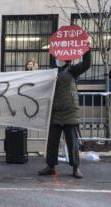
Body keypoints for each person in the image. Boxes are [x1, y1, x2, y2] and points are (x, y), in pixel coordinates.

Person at [38, 38, 92, 179]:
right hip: (55, 113)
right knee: (52, 142)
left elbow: (87, 64)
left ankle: (75, 167)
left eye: (59, 57)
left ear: (66, 59)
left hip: (69, 113)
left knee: (72, 142)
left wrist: (87, 48)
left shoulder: (73, 71)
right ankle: (50, 166)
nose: (57, 59)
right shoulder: (52, 73)